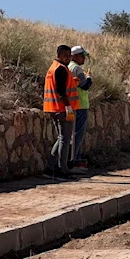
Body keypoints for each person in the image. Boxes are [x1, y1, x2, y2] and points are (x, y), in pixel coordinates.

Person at [43, 45, 80, 178]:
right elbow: (61, 91)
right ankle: (61, 169)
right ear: (58, 54)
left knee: (61, 138)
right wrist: (68, 106)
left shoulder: (53, 67)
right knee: (65, 139)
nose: (68, 57)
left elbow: (60, 87)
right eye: (66, 54)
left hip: (53, 108)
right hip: (62, 108)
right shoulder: (61, 69)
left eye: (69, 55)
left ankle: (51, 168)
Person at [68, 45, 93, 170]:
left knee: (72, 134)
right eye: (82, 56)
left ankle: (72, 159)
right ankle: (74, 161)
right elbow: (85, 85)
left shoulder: (68, 67)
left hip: (72, 104)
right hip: (80, 104)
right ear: (75, 56)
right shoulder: (77, 68)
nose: (84, 59)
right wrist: (89, 77)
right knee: (77, 134)